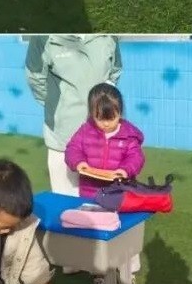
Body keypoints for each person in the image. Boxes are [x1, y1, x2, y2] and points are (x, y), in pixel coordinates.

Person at [25, 35, 122, 194]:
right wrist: (58, 107)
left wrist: (101, 108)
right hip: (63, 134)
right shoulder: (42, 37)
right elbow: (35, 78)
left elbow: (115, 71)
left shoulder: (109, 36)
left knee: (101, 200)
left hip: (101, 137)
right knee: (65, 201)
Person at [64, 82, 145, 190]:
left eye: (111, 118)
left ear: (120, 113)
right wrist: (79, 162)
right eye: (100, 119)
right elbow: (73, 149)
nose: (106, 124)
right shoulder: (85, 131)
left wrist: (125, 170)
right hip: (90, 190)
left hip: (119, 189)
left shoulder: (129, 136)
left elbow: (136, 157)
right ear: (92, 114)